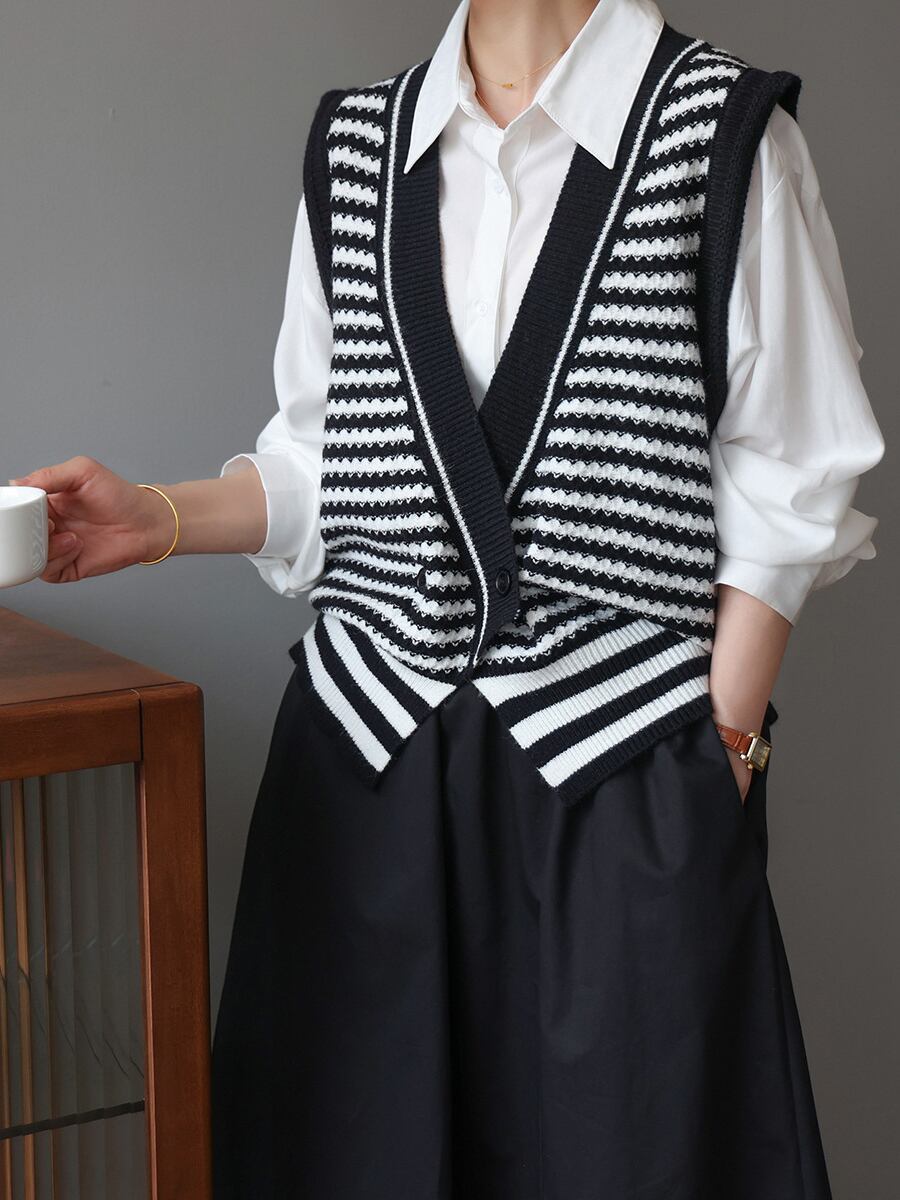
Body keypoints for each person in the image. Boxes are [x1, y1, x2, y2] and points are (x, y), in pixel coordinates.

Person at [11, 0, 885, 1194]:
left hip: (614, 790)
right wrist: (155, 517)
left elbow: (794, 478)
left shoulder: (722, 133)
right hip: (360, 791)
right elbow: (334, 463)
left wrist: (720, 756)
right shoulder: (358, 147)